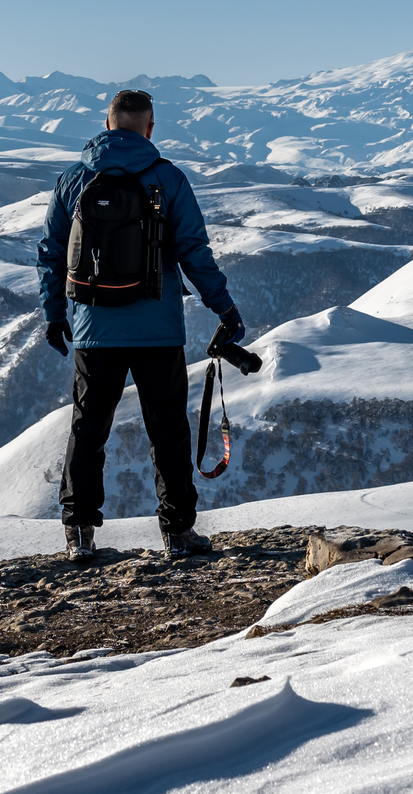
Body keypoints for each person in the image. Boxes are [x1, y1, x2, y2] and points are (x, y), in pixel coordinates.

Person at [37, 88, 246, 561]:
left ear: (107, 125)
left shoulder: (73, 179)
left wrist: (54, 314)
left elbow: (50, 252)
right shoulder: (168, 179)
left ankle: (80, 534)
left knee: (88, 429)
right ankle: (177, 533)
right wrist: (225, 309)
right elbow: (195, 251)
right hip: (158, 329)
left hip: (94, 328)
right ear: (149, 129)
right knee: (168, 430)